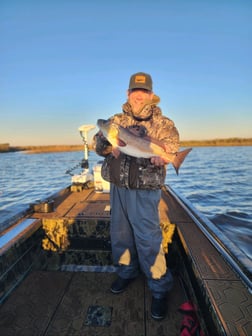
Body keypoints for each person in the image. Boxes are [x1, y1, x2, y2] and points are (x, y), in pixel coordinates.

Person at [92, 72, 180, 320]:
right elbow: (100, 149)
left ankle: (159, 288)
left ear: (151, 95)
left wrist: (166, 156)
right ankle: (126, 271)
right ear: (128, 93)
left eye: (144, 91)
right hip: (119, 188)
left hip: (145, 190)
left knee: (148, 238)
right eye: (134, 91)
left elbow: (171, 146)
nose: (139, 95)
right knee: (120, 234)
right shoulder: (115, 121)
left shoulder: (165, 124)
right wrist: (106, 142)